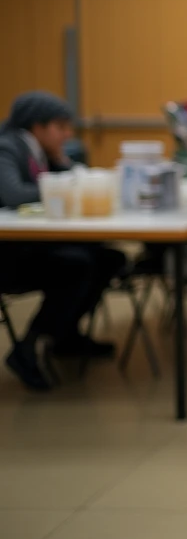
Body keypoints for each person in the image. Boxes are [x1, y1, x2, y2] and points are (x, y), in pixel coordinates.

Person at [0, 91, 120, 391]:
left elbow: (65, 184)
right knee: (76, 266)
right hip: (8, 253)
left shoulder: (42, 152)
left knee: (107, 259)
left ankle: (65, 337)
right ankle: (27, 348)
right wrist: (61, 183)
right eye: (61, 126)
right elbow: (13, 195)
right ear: (37, 127)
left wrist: (62, 166)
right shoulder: (8, 147)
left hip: (31, 246)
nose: (68, 134)